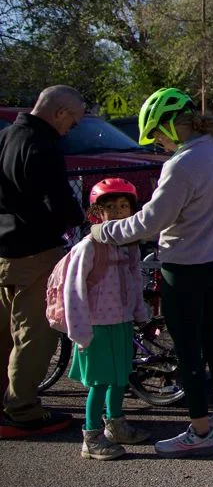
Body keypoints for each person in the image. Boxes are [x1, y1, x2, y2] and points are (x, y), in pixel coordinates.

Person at [89, 88, 213, 458]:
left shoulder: (183, 163)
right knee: (212, 338)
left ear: (171, 126)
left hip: (188, 267)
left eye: (157, 136)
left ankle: (200, 431)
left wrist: (103, 231)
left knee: (188, 349)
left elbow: (150, 222)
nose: (158, 145)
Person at [0, 85, 87, 438]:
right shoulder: (43, 147)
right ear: (60, 113)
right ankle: (22, 410)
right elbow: (60, 205)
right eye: (74, 121)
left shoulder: (6, 137)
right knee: (34, 336)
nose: (71, 129)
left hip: (3, 249)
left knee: (2, 334)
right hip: (34, 252)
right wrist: (80, 216)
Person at [63, 178, 151, 460]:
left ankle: (116, 423)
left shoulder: (129, 246)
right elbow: (73, 290)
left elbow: (136, 279)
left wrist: (139, 312)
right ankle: (91, 437)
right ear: (96, 213)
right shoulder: (88, 247)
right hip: (95, 325)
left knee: (119, 377)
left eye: (124, 206)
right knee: (99, 382)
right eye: (109, 207)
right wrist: (79, 331)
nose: (117, 212)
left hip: (121, 321)